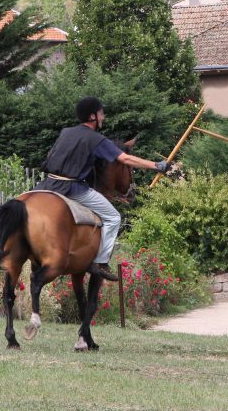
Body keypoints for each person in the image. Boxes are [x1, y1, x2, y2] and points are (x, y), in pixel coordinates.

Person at [36, 97, 169, 281]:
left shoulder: (65, 132)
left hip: (47, 184)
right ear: (92, 116)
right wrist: (157, 165)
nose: (103, 117)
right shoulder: (97, 139)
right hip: (73, 188)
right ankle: (101, 262)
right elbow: (126, 159)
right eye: (101, 113)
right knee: (114, 217)